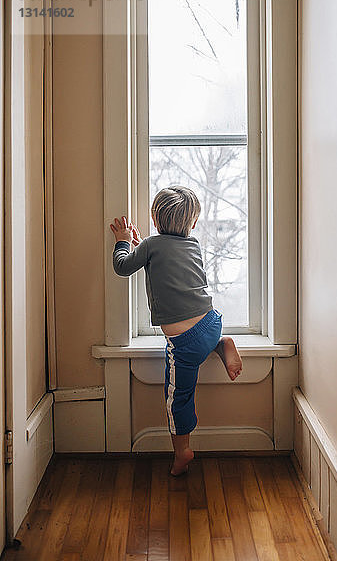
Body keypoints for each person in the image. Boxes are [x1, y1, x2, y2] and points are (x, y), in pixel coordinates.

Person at [110, 185, 242, 476]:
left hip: (184, 344)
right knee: (204, 344)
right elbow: (165, 260)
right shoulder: (192, 244)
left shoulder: (151, 245)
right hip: (211, 322)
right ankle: (221, 343)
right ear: (193, 223)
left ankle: (182, 451)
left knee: (177, 399)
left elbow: (122, 267)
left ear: (155, 219)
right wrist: (140, 243)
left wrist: (123, 242)